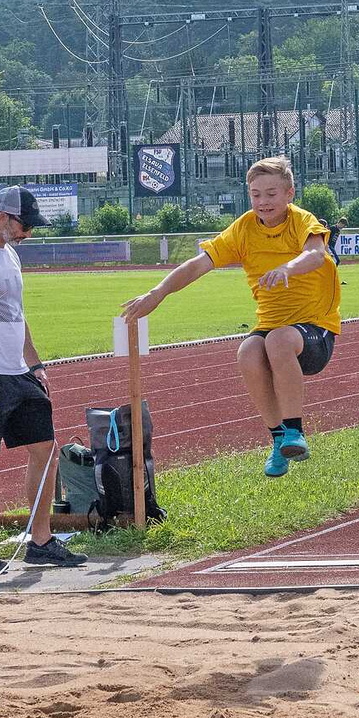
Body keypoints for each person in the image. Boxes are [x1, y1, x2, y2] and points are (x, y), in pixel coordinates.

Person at [125, 157, 340, 478]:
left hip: (315, 331)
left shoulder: (301, 222)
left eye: (271, 194)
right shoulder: (244, 229)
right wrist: (157, 294)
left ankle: (295, 430)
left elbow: (314, 255)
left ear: (289, 194)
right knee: (248, 352)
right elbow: (198, 264)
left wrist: (287, 268)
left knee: (279, 340)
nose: (263, 202)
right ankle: (279, 438)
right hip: (272, 327)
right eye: (255, 194)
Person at [0, 186, 86, 571]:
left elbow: (15, 313)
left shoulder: (9, 255)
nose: (28, 232)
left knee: (46, 449)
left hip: (17, 370)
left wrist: (35, 364)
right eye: (24, 224)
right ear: (2, 216)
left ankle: (40, 540)